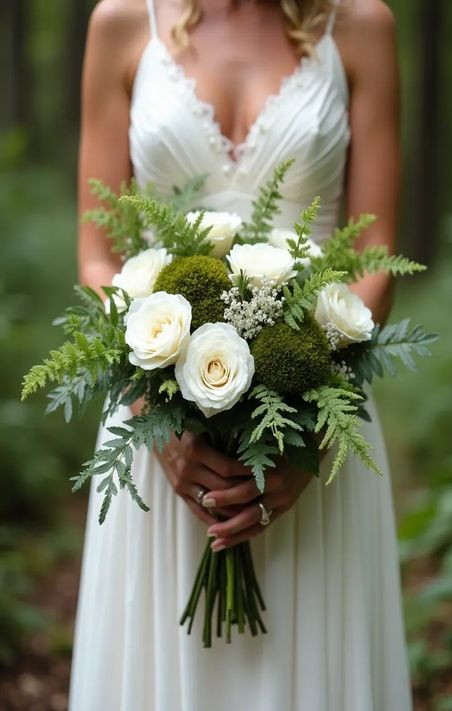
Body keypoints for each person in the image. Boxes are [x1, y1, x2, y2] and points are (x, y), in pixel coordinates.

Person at [69, 0, 412, 708]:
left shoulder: (362, 27)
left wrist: (308, 438)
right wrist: (152, 411)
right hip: (160, 434)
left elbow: (375, 259)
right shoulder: (122, 23)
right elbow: (98, 255)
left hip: (317, 414)